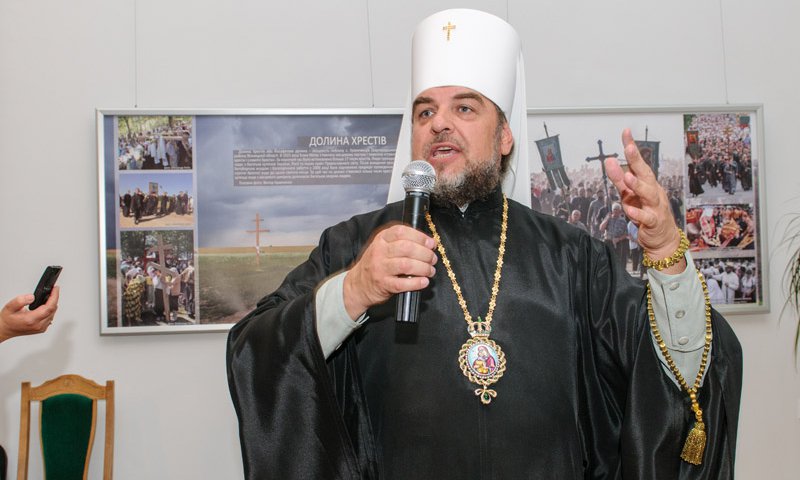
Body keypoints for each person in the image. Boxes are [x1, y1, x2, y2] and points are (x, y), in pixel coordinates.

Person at [227, 9, 741, 479]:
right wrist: (353, 291)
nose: (439, 123)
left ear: (504, 136)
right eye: (425, 112)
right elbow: (255, 353)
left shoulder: (572, 257)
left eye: (465, 107)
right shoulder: (356, 245)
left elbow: (681, 367)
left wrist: (665, 249)